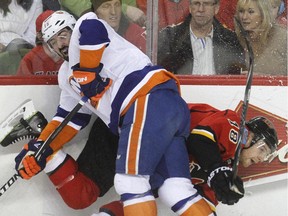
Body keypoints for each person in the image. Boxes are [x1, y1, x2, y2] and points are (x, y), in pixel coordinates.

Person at [14, 10, 213, 216]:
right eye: (53, 42)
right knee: (175, 189)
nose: (60, 44)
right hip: (165, 110)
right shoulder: (66, 76)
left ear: (72, 29)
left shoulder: (85, 26)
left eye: (63, 35)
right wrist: (40, 148)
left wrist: (88, 73)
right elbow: (69, 120)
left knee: (131, 181)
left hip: (147, 99)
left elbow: (94, 30)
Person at [91, 103, 279, 215]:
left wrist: (220, 182)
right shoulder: (235, 126)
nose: (262, 158)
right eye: (263, 149)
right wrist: (217, 170)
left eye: (267, 155)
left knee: (142, 202)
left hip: (157, 162)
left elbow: (205, 203)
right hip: (145, 132)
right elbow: (200, 139)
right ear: (250, 137)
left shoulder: (226, 168)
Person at [157, 0, 246, 75]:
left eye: (206, 4)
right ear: (190, 7)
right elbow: (161, 76)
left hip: (220, 94)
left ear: (216, 8)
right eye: (196, 3)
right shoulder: (170, 38)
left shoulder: (230, 40)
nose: (201, 9)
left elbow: (234, 79)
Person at [235, 0, 287, 75]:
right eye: (241, 11)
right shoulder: (235, 38)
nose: (244, 17)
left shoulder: (283, 37)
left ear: (263, 14)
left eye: (251, 12)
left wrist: (263, 79)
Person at [16, 10, 64, 76]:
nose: (55, 36)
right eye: (49, 32)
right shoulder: (29, 60)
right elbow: (22, 85)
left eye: (59, 30)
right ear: (39, 36)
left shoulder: (70, 54)